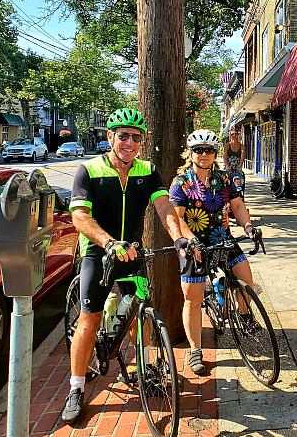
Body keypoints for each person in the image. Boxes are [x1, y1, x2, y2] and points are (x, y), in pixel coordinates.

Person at [61, 108, 184, 423]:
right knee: (89, 321)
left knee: (139, 311)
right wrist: (108, 243)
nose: (130, 142)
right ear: (110, 137)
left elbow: (163, 206)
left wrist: (180, 237)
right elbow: (80, 217)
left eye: (136, 137)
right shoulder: (88, 170)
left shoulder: (147, 170)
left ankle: (142, 367)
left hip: (133, 253)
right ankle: (75, 388)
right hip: (97, 254)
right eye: (124, 136)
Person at [170, 129, 260, 374]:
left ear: (215, 153)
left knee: (246, 281)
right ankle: (195, 350)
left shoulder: (224, 178)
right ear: (190, 153)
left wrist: (249, 226)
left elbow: (238, 205)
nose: (204, 155)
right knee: (193, 298)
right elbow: (178, 219)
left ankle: (243, 314)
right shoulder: (181, 183)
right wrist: (190, 241)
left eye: (208, 150)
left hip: (223, 239)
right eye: (199, 150)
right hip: (194, 245)